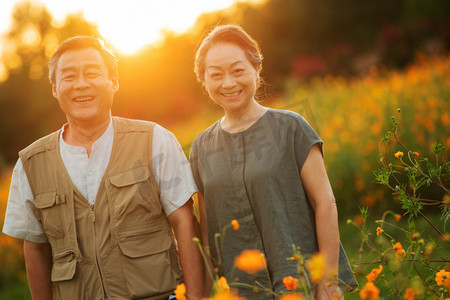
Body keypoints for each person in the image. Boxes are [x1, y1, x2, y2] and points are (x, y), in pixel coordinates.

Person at [2, 36, 203, 300]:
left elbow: (185, 222)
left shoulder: (155, 140)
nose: (81, 84)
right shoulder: (30, 164)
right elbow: (35, 248)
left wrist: (197, 297)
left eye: (93, 73)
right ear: (55, 87)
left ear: (114, 81)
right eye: (69, 76)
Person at [189, 24, 358, 299]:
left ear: (256, 70)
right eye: (216, 75)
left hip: (298, 283)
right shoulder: (201, 147)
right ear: (204, 80)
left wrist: (327, 283)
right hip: (242, 290)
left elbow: (325, 203)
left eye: (238, 70)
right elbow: (209, 232)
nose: (228, 83)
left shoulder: (291, 128)